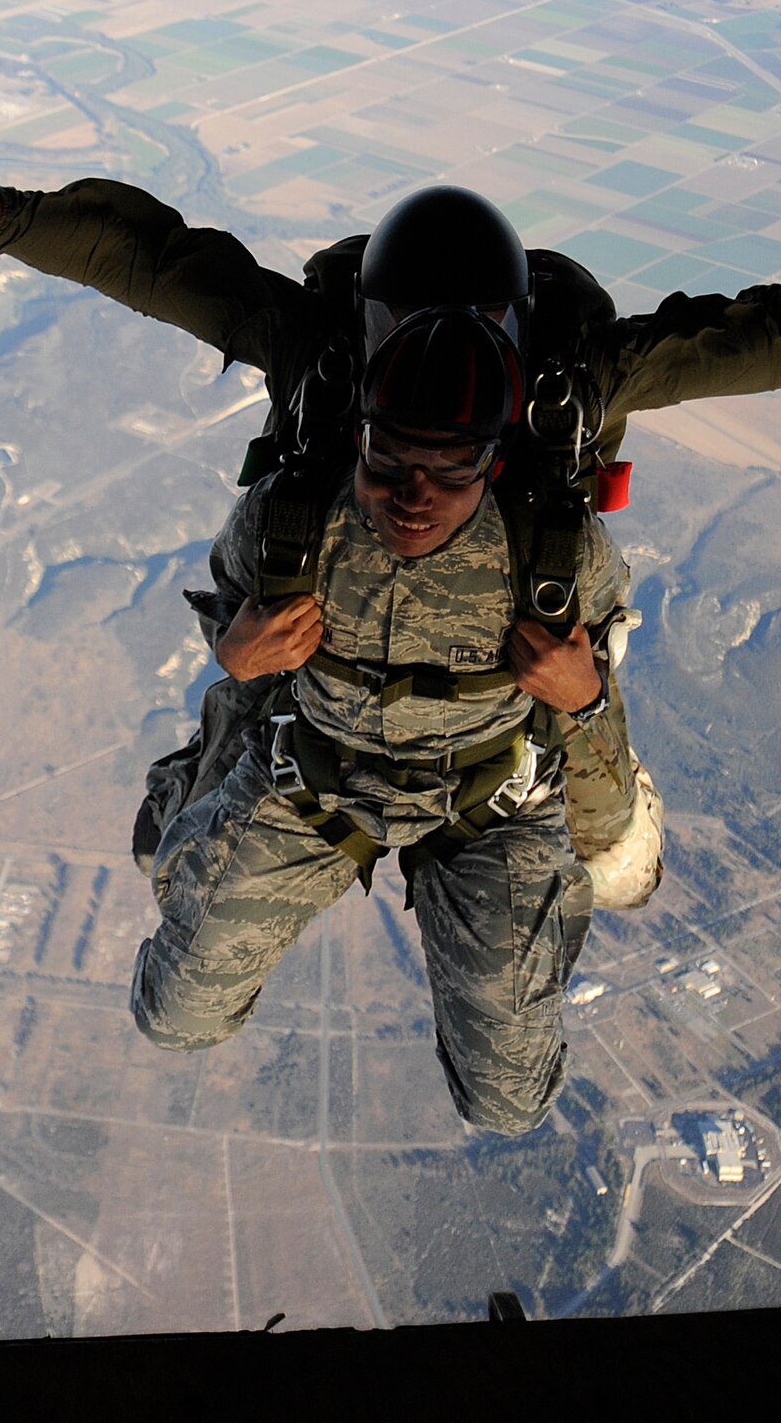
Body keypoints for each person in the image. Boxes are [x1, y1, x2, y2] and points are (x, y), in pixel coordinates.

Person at [0, 80, 781, 903]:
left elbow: (762, 340)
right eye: (405, 425)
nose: (421, 471)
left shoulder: (564, 382)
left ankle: (587, 770)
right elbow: (150, 259)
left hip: (516, 672)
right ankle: (241, 750)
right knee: (202, 794)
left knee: (611, 853)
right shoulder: (325, 354)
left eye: (460, 434)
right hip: (318, 673)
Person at [133, 304, 632, 1133]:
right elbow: (231, 607)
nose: (413, 495)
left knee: (508, 1106)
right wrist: (236, 654)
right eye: (389, 462)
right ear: (359, 439)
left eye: (448, 470)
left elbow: (595, 679)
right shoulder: (289, 519)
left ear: (492, 465)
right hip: (311, 777)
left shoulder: (553, 549)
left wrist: (582, 698)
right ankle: (197, 786)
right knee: (172, 1018)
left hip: (493, 810)